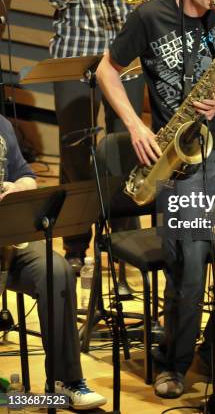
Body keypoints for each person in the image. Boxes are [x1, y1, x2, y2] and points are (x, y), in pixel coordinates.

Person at [96, 0, 215, 398]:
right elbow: (106, 70)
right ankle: (172, 363)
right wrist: (134, 126)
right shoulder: (150, 17)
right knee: (187, 272)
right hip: (177, 160)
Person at [31, 0, 159, 273]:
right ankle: (74, 248)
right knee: (76, 156)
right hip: (74, 58)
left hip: (123, 60)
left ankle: (125, 244)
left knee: (126, 149)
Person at [0, 114, 107, 410]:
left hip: (9, 236)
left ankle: (65, 380)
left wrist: (17, 189)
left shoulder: (2, 125)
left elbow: (26, 174)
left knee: (56, 270)